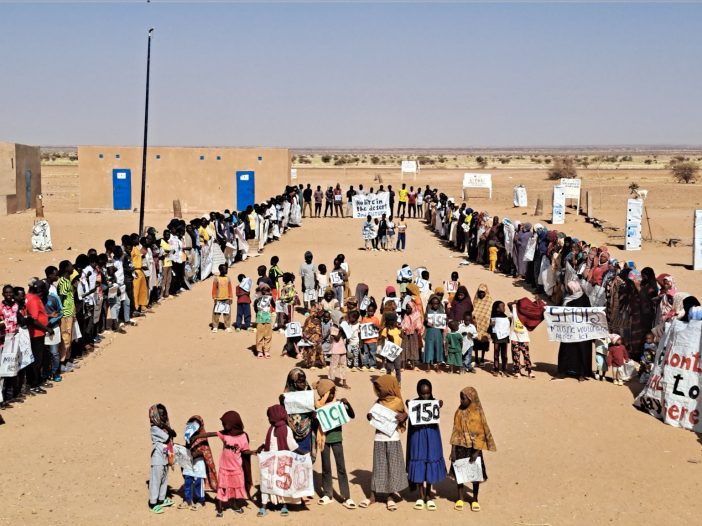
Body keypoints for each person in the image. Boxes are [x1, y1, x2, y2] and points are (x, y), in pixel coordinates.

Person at [360, 376, 409, 511]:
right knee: (378, 466)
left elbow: (404, 415)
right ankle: (373, 495)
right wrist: (369, 416)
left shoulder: (398, 402)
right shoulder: (378, 402)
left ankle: (390, 496)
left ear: (388, 388)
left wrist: (404, 416)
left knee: (391, 467)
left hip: (393, 439)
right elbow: (372, 414)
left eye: (379, 389)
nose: (377, 391)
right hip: (379, 439)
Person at [449, 387, 495, 512]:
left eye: (463, 398)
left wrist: (476, 452)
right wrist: (453, 450)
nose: (461, 400)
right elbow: (455, 431)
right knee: (460, 475)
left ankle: (475, 499)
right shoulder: (459, 411)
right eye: (460, 398)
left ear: (471, 399)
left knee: (474, 476)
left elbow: (481, 434)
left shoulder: (478, 414)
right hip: (460, 447)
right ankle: (460, 498)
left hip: (474, 450)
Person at [257, 405, 305, 517]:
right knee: (268, 482)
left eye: (269, 417)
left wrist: (303, 454)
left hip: (281, 462)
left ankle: (284, 505)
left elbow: (292, 445)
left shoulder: (285, 429)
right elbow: (267, 442)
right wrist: (262, 446)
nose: (268, 419)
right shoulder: (271, 428)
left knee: (281, 482)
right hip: (271, 460)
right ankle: (264, 506)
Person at [315, 379, 357, 509]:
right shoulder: (317, 407)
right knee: (326, 468)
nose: (332, 396)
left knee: (341, 468)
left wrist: (347, 404)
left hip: (337, 439)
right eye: (330, 393)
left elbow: (352, 415)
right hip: (324, 441)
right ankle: (328, 493)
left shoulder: (338, 405)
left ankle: (346, 496)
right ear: (324, 394)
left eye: (333, 393)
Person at [406, 379, 447, 511]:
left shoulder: (433, 404)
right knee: (419, 462)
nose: (425, 396)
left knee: (430, 461)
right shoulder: (414, 404)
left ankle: (428, 495)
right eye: (422, 393)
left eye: (428, 393)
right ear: (418, 392)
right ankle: (420, 495)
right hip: (417, 437)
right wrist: (409, 405)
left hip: (432, 436)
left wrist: (439, 405)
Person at [556, 281, 593, 381]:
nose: (568, 290)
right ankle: (563, 371)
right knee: (566, 351)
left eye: (569, 288)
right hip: (569, 331)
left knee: (581, 351)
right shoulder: (567, 298)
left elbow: (589, 313)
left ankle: (581, 373)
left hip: (581, 331)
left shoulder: (584, 298)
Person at [180, 415, 218, 510]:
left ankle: (201, 501)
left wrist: (196, 453)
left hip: (199, 462)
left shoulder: (202, 436)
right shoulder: (189, 436)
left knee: (198, 481)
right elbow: (187, 448)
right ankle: (187, 500)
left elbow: (204, 451)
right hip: (189, 461)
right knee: (188, 480)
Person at [148, 404, 177, 514]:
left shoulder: (163, 427)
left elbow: (174, 434)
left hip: (165, 455)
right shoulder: (154, 428)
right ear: (155, 415)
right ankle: (153, 503)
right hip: (158, 457)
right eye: (161, 414)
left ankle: (161, 499)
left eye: (164, 413)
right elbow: (168, 437)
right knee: (156, 480)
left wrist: (166, 426)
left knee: (164, 478)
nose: (164, 416)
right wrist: (167, 427)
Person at [283, 368, 317, 458]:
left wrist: (313, 413)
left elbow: (314, 409)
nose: (303, 384)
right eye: (300, 382)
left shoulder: (308, 393)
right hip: (291, 430)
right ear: (293, 382)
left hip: (307, 429)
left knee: (305, 455)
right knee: (293, 455)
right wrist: (282, 402)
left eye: (304, 381)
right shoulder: (287, 396)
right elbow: (283, 414)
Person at [507, 300, 535, 378]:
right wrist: (516, 302)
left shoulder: (527, 314)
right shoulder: (514, 311)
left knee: (526, 355)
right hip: (514, 337)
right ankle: (517, 372)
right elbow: (509, 304)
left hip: (524, 338)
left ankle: (529, 371)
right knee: (516, 355)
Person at [423, 295, 446, 372]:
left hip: (438, 332)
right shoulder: (428, 312)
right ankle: (428, 366)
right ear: (431, 304)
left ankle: (438, 366)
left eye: (437, 303)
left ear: (439, 304)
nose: (435, 305)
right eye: (433, 303)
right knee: (429, 348)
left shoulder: (441, 312)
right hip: (430, 332)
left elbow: (444, 323)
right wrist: (427, 322)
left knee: (438, 348)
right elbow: (424, 322)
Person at [471, 284, 492, 367]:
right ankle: (476, 359)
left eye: (483, 292)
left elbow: (490, 313)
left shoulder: (489, 301)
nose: (481, 294)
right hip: (476, 326)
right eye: (480, 292)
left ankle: (482, 359)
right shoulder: (476, 301)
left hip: (485, 327)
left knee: (484, 343)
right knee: (476, 343)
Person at [380, 312, 403, 384]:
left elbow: (401, 337)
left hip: (397, 351)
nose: (396, 322)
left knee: (397, 367)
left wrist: (401, 330)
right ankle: (388, 381)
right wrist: (389, 340)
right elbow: (383, 339)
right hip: (390, 351)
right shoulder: (386, 330)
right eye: (395, 321)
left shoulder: (397, 329)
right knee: (389, 367)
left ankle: (398, 382)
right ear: (391, 322)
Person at [489, 301, 510, 376]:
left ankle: (504, 369)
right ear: (497, 309)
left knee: (504, 355)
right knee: (496, 354)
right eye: (502, 306)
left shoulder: (505, 317)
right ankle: (496, 369)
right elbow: (491, 328)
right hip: (497, 337)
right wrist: (491, 325)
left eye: (504, 306)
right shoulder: (494, 317)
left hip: (505, 337)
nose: (504, 308)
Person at [400, 301, 423, 371]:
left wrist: (414, 327)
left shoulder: (417, 315)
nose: (407, 310)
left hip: (414, 334)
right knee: (404, 349)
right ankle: (403, 366)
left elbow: (419, 325)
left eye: (409, 308)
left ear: (413, 308)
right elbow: (403, 324)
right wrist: (403, 328)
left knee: (413, 349)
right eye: (406, 308)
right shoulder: (405, 315)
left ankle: (413, 366)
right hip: (405, 334)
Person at [253, 284, 274, 358]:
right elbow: (255, 308)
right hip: (260, 318)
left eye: (267, 291)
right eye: (264, 291)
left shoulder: (270, 298)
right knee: (260, 335)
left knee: (268, 335)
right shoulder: (257, 300)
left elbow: (274, 305)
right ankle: (259, 351)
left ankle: (266, 350)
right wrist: (259, 313)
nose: (266, 293)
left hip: (268, 318)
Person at [211, 264, 233, 333]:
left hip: (226, 298)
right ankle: (215, 326)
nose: (226, 270)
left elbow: (230, 288)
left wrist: (230, 297)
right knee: (216, 313)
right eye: (225, 269)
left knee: (227, 313)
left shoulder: (228, 278)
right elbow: (214, 288)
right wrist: (214, 297)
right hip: (218, 298)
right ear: (220, 270)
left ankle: (227, 326)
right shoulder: (216, 278)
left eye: (227, 269)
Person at [361, 302, 381, 371]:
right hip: (366, 340)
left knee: (372, 353)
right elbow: (362, 328)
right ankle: (365, 365)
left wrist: (376, 326)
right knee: (366, 353)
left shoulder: (376, 319)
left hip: (373, 340)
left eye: (371, 311)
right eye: (369, 311)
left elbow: (379, 328)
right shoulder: (364, 319)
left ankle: (373, 365)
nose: (370, 312)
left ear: (374, 311)